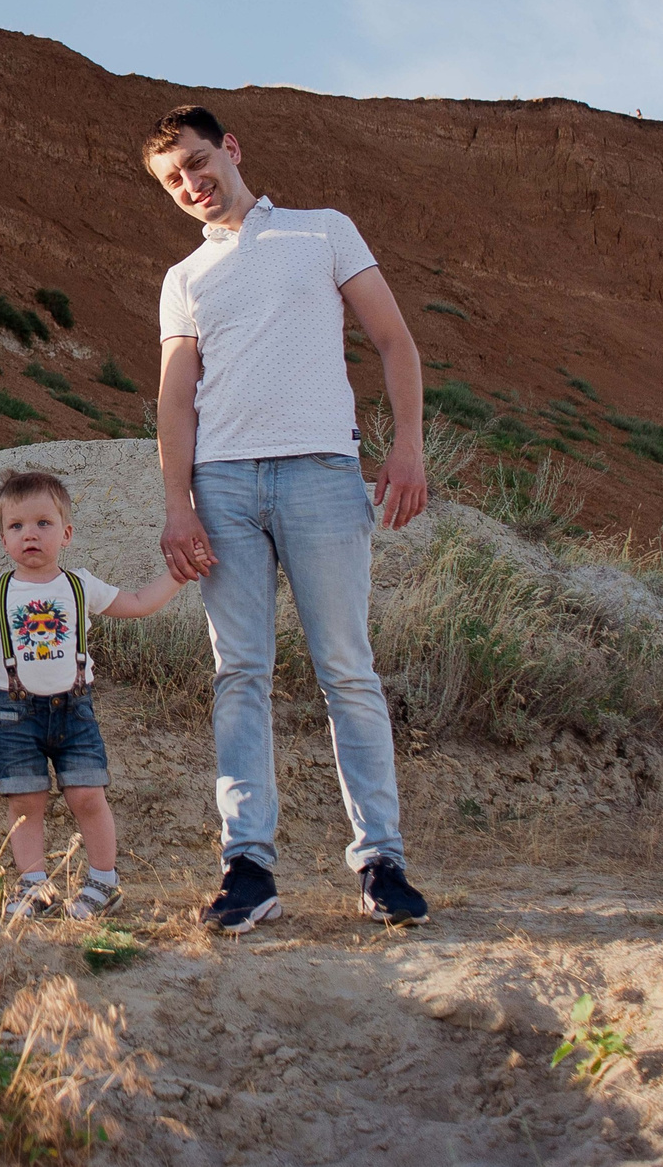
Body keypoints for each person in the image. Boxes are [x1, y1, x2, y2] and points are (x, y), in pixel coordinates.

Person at [144, 103, 433, 931]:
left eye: (200, 163)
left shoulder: (322, 231)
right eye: (174, 180)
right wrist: (177, 502)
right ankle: (248, 867)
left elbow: (395, 340)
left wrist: (405, 445)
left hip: (321, 474)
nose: (193, 185)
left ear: (231, 149)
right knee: (240, 673)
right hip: (224, 487)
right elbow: (174, 395)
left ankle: (382, 862)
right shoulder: (184, 279)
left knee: (346, 666)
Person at [0, 469, 185, 921]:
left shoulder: (79, 585)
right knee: (25, 802)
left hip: (75, 711)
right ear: (3, 540)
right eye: (16, 526)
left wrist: (178, 575)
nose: (30, 535)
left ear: (67, 533)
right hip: (18, 716)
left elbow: (137, 602)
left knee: (87, 796)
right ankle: (34, 885)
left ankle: (103, 882)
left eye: (43, 523)